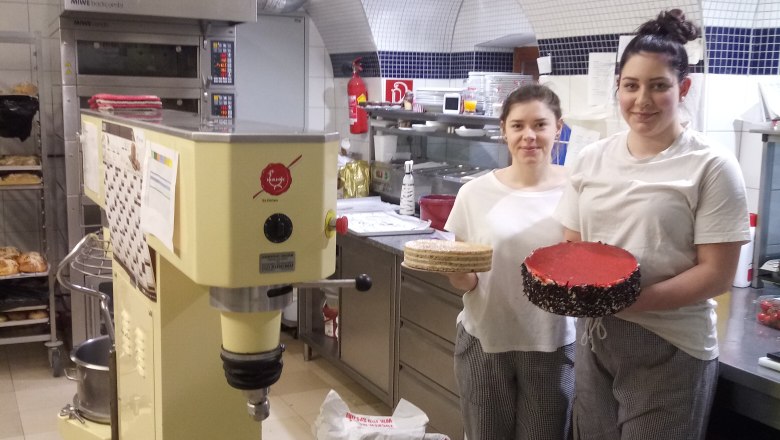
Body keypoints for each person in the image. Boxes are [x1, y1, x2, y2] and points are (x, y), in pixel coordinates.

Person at [553, 9, 750, 440]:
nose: (642, 100)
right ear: (618, 88)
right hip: (594, 341)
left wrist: (626, 302)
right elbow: (574, 248)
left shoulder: (711, 165)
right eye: (631, 86)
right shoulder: (591, 159)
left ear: (684, 88)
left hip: (671, 347)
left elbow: (716, 273)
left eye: (658, 86)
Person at [444, 83, 576, 440]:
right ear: (503, 130)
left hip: (552, 342)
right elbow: (468, 279)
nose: (529, 136)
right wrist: (455, 272)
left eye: (540, 125)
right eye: (518, 126)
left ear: (558, 128)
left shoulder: (578, 190)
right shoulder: (474, 194)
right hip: (487, 340)